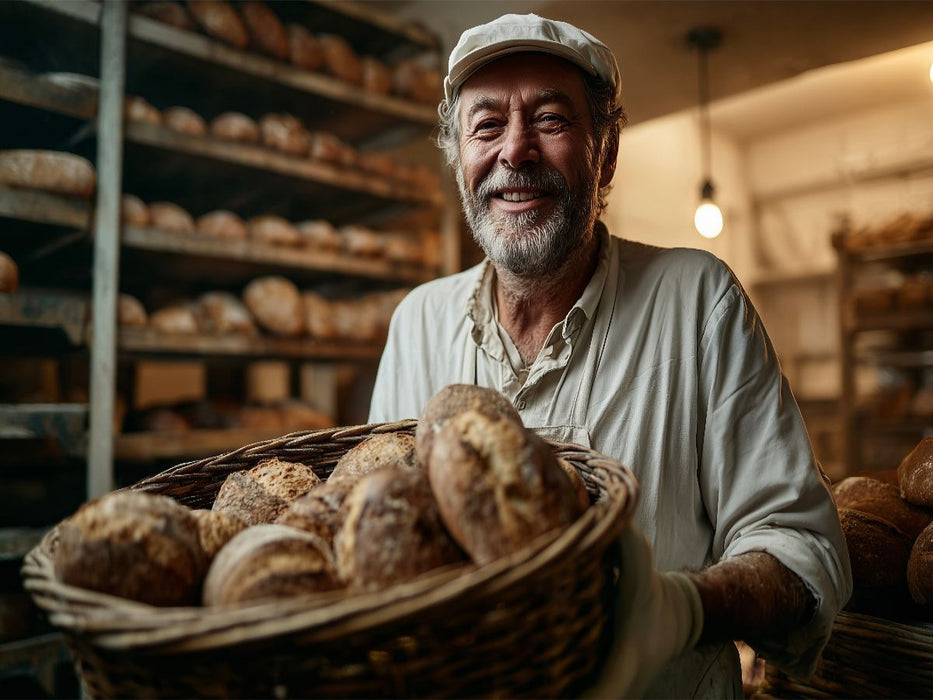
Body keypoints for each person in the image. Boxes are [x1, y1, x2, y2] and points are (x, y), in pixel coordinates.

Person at [369, 13, 852, 698]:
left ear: (607, 151)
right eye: (485, 126)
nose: (515, 150)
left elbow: (804, 555)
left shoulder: (697, 302)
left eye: (550, 119)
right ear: (457, 160)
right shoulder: (417, 322)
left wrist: (680, 610)